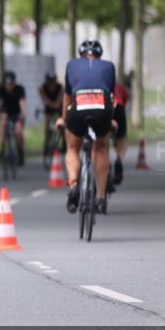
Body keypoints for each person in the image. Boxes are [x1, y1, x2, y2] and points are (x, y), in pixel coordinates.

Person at [56, 39, 116, 214]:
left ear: (81, 54)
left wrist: (63, 119)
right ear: (99, 54)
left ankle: (73, 183)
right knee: (101, 148)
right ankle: (102, 198)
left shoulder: (71, 65)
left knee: (73, 147)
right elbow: (110, 98)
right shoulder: (109, 66)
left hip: (78, 107)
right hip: (101, 107)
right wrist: (110, 120)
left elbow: (67, 97)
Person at [0, 70, 27, 165]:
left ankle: (21, 152)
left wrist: (23, 114)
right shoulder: (1, 89)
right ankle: (2, 147)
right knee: (3, 124)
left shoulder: (20, 89)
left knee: (19, 131)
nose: (9, 86)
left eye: (11, 84)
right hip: (5, 112)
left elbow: (22, 103)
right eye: (7, 84)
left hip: (16, 112)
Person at [111, 78, 131, 187]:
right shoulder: (117, 84)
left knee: (100, 139)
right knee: (121, 138)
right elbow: (126, 97)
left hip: (102, 108)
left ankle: (104, 165)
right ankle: (119, 159)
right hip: (118, 106)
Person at [39, 70, 64, 149]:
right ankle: (46, 144)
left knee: (62, 124)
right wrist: (53, 105)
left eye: (53, 81)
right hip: (49, 109)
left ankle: (64, 142)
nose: (51, 84)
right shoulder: (42, 88)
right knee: (47, 124)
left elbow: (59, 100)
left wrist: (55, 105)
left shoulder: (60, 87)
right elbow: (44, 99)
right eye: (50, 81)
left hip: (59, 108)